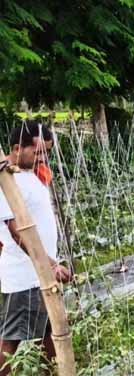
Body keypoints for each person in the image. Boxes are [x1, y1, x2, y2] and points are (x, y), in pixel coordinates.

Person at [0, 120, 72, 375]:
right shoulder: (7, 182)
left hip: (40, 274)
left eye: (47, 152)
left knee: (50, 333)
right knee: (11, 341)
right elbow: (16, 231)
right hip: (24, 276)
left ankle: (54, 371)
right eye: (38, 151)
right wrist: (50, 265)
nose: (43, 158)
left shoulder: (28, 174)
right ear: (17, 148)